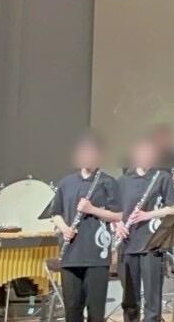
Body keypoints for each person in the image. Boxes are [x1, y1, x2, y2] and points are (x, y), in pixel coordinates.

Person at [43, 133, 120, 322]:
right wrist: (64, 228)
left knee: (96, 312)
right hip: (70, 254)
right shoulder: (66, 182)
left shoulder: (108, 182)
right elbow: (56, 213)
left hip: (96, 255)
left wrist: (92, 209)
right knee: (72, 310)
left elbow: (118, 215)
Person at [115, 137, 174, 322]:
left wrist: (148, 215)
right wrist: (117, 224)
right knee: (129, 298)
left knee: (152, 296)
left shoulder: (162, 178)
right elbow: (114, 211)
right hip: (127, 243)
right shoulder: (122, 181)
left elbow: (173, 208)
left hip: (152, 242)